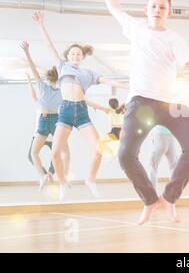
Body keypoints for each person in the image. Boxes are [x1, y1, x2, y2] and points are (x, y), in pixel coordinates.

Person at [92, 0, 189, 224]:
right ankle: (150, 200)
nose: (157, 10)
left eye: (162, 7)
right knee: (125, 155)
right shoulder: (136, 29)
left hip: (171, 104)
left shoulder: (174, 39)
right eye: (153, 6)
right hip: (141, 102)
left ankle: (169, 197)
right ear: (146, 9)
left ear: (168, 12)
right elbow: (114, 8)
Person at [32, 11, 128, 201]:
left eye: (78, 53)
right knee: (55, 152)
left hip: (82, 112)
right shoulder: (61, 67)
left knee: (99, 148)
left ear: (82, 57)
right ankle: (61, 183)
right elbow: (48, 45)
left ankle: (90, 179)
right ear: (68, 56)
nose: (76, 55)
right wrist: (41, 25)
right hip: (66, 111)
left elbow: (107, 80)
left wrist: (126, 84)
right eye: (72, 53)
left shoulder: (88, 73)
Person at [22, 42, 70, 191]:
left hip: (43, 120)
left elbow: (33, 69)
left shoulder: (42, 86)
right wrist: (63, 61)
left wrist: (27, 53)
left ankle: (42, 176)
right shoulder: (63, 90)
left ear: (48, 79)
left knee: (33, 153)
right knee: (65, 152)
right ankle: (64, 178)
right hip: (56, 121)